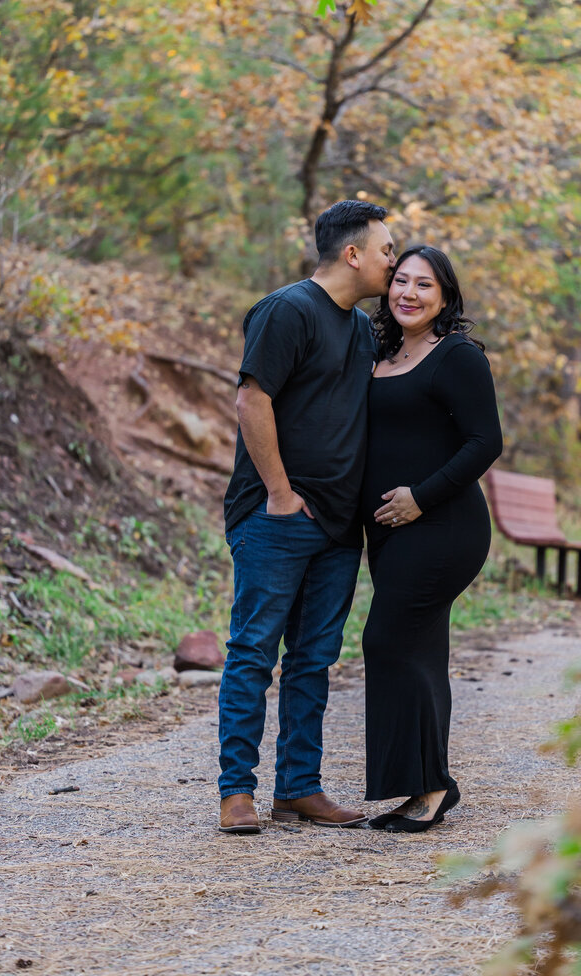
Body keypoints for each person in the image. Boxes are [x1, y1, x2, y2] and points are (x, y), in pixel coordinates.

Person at [218, 200, 395, 834]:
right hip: (278, 517)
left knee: (314, 659)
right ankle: (236, 791)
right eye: (385, 251)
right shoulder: (287, 310)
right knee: (253, 652)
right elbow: (251, 397)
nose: (392, 263)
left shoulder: (359, 328)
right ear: (353, 254)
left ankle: (298, 787)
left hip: (339, 527)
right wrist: (279, 492)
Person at [361, 245, 503, 833]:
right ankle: (426, 784)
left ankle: (431, 787)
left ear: (445, 296)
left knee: (387, 640)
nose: (409, 293)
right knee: (418, 649)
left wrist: (420, 497)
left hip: (443, 526)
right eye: (400, 281)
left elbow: (484, 442)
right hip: (389, 532)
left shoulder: (458, 357)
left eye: (424, 284)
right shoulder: (380, 351)